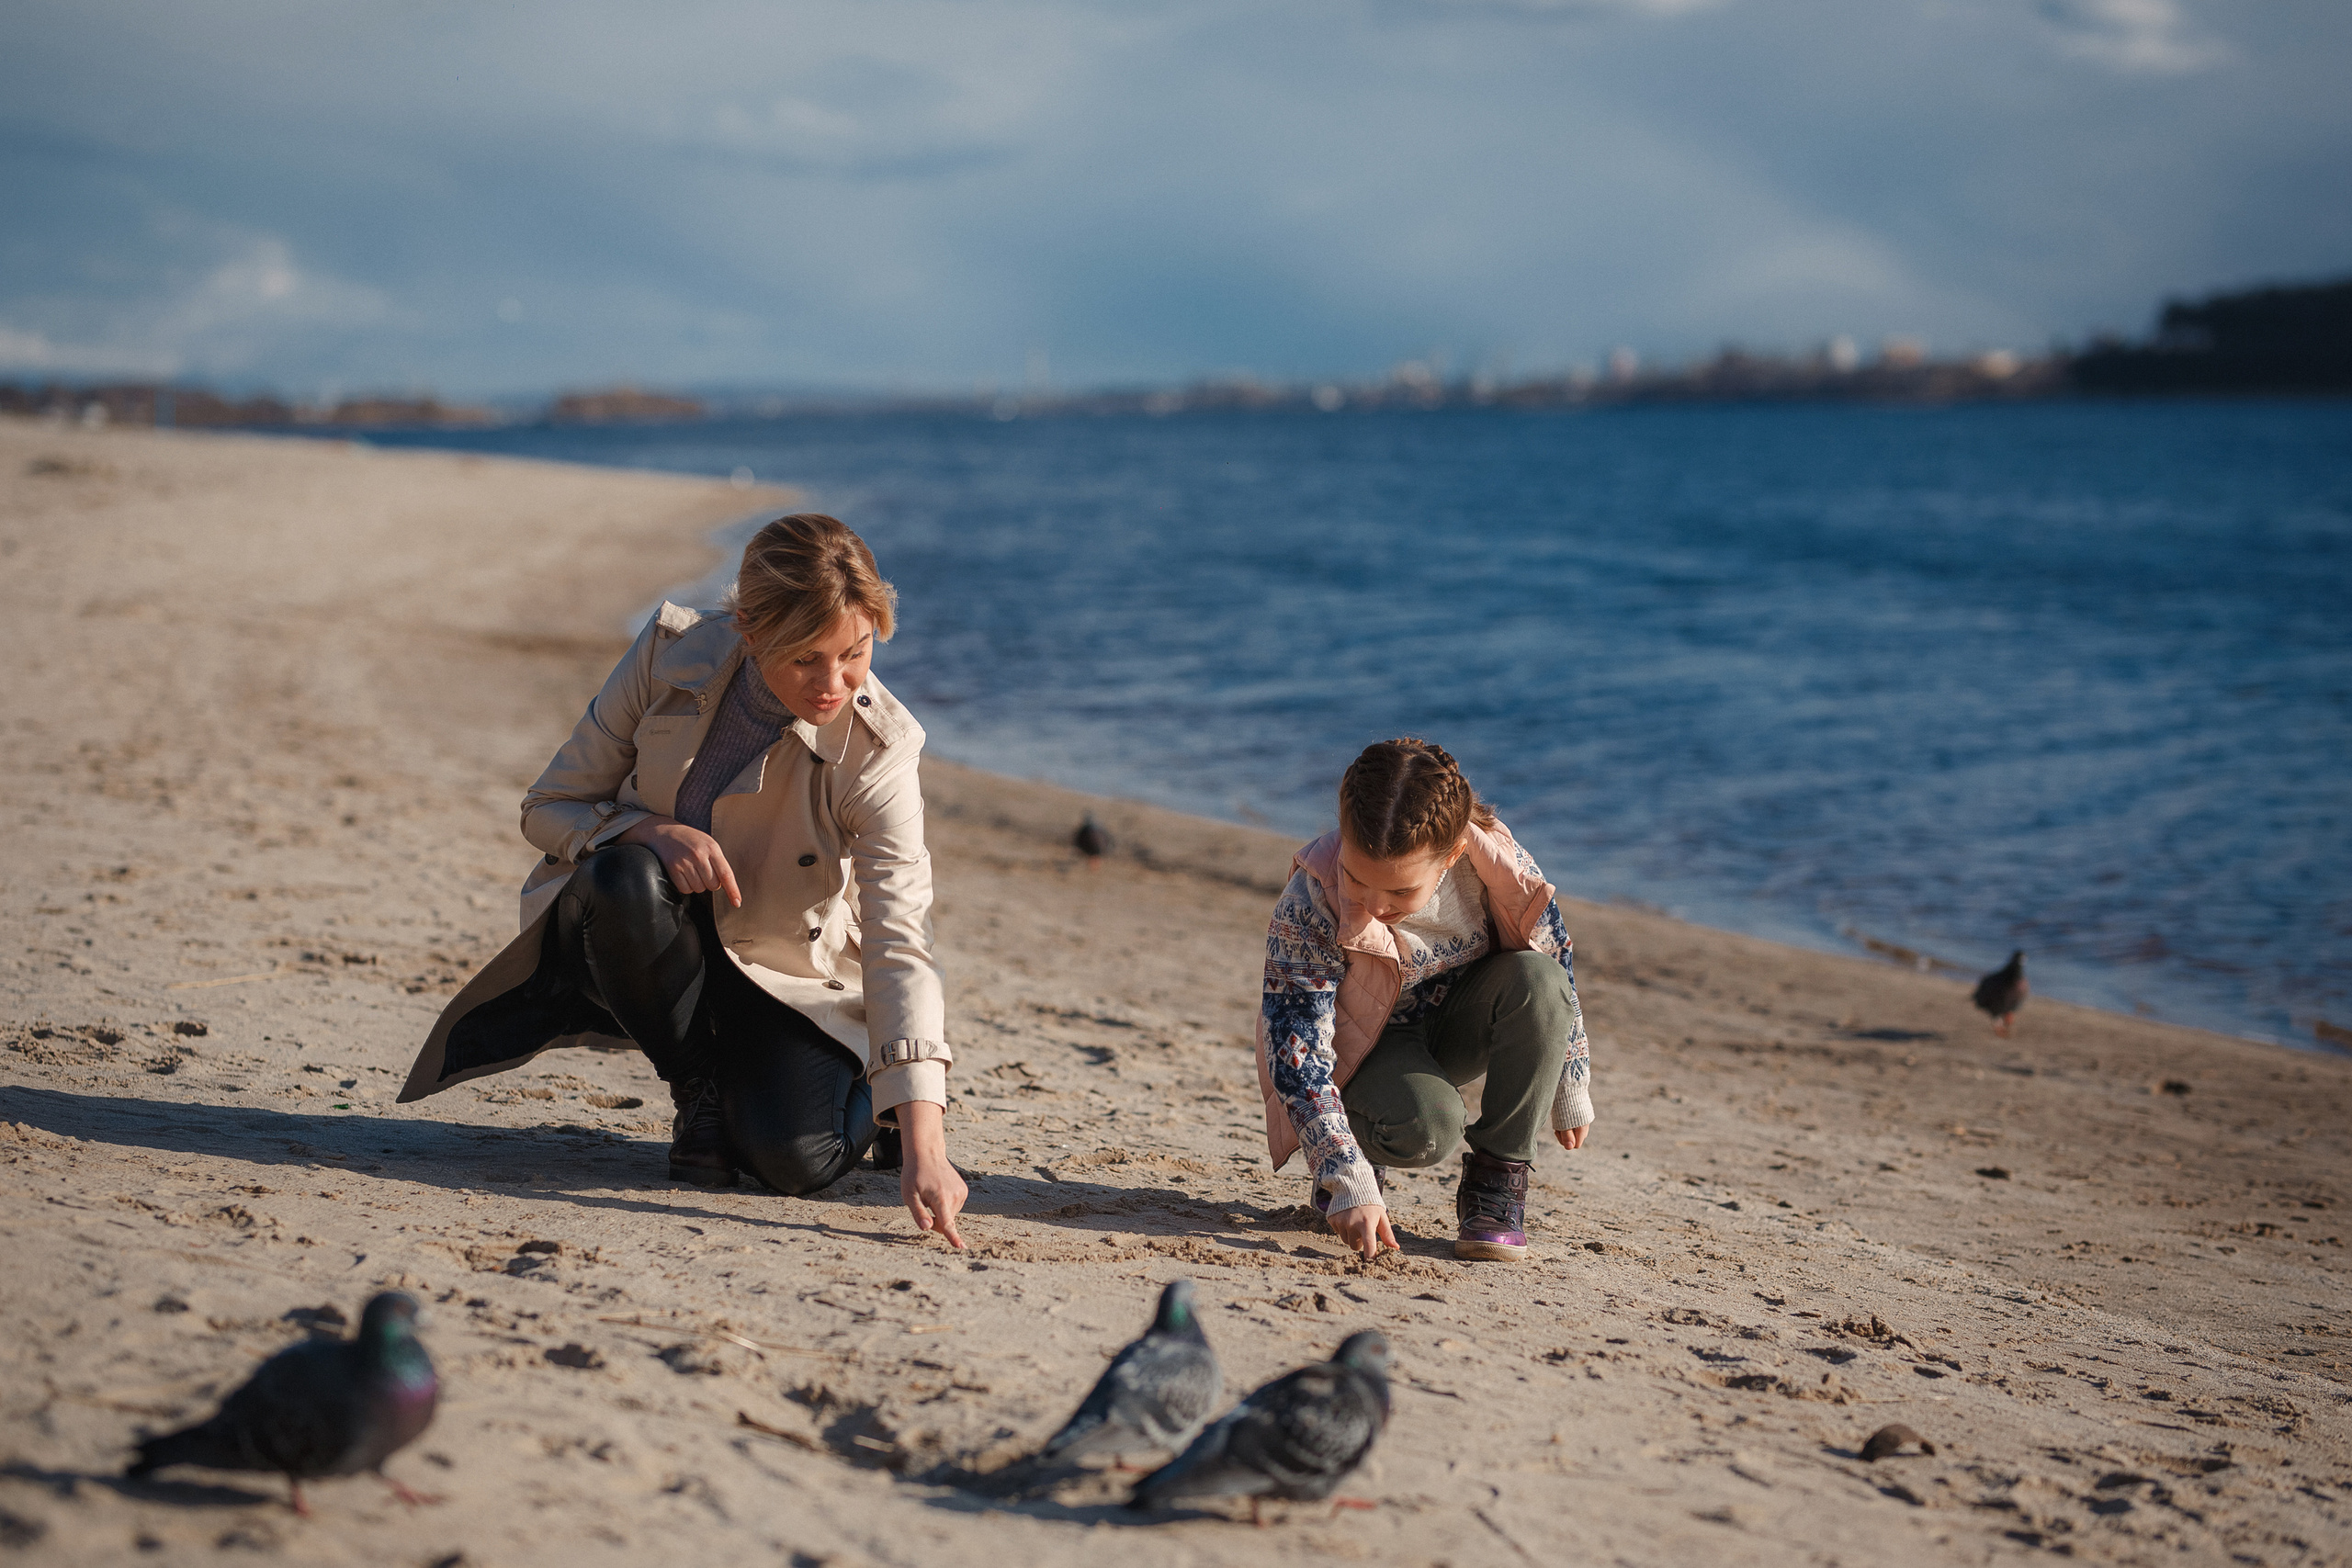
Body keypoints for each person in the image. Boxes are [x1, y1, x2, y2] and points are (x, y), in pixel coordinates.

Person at [397, 514, 966, 1247]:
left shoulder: (882, 749)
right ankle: (698, 1093)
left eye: (853, 654)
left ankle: (869, 1086)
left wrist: (925, 1142)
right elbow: (549, 806)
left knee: (797, 1162)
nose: (832, 683)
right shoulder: (668, 656)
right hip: (652, 945)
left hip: (784, 969)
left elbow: (898, 936)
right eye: (804, 659)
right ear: (748, 629)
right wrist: (644, 829)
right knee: (622, 876)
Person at [1256, 738, 1595, 1262]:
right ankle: (1364, 1146)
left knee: (1538, 978)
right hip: (1359, 1056)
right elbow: (1296, 1058)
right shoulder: (1311, 898)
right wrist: (1345, 1172)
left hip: (1452, 1030)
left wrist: (1570, 1076)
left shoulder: (1500, 866)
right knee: (1429, 1127)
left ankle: (1495, 1186)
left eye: (1399, 893)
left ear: (1453, 855)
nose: (1373, 905)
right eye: (1357, 878)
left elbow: (1554, 959)